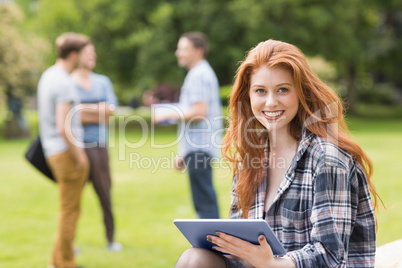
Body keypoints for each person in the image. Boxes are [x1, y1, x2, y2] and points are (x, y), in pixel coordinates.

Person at [175, 39, 381, 267]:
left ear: (301, 91)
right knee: (193, 259)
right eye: (260, 91)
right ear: (249, 96)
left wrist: (272, 263)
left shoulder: (327, 158)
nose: (271, 102)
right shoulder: (252, 156)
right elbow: (242, 244)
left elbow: (330, 256)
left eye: (283, 89)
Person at [155, 32, 223, 219]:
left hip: (200, 149)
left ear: (198, 51)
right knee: (204, 201)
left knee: (205, 205)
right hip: (197, 148)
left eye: (183, 48)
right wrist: (184, 152)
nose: (178, 53)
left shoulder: (199, 74)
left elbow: (199, 112)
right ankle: (213, 245)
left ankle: (214, 247)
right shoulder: (199, 73)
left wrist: (165, 113)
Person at [38, 32, 90, 268]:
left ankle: (55, 263)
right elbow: (63, 126)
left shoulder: (48, 76)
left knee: (66, 210)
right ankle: (66, 264)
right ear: (73, 54)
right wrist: (79, 155)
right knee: (70, 213)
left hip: (52, 151)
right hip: (65, 153)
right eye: (83, 53)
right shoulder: (63, 82)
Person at [71, 42, 122, 252]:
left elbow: (110, 111)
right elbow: (73, 116)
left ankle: (111, 240)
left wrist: (82, 109)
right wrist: (97, 110)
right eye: (88, 53)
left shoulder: (103, 82)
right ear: (77, 55)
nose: (93, 56)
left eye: (94, 52)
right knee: (73, 199)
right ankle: (70, 243)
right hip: (77, 147)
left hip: (99, 147)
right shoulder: (69, 82)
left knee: (105, 194)